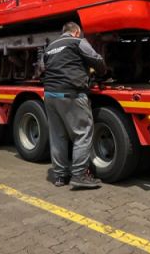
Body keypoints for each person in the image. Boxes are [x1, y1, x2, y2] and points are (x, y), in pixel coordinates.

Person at [43, 22, 106, 189]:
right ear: (76, 32)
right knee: (82, 133)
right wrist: (102, 72)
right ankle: (79, 175)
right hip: (70, 94)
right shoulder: (78, 42)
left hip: (49, 94)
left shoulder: (50, 47)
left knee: (58, 136)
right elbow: (96, 60)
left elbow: (44, 67)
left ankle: (60, 176)